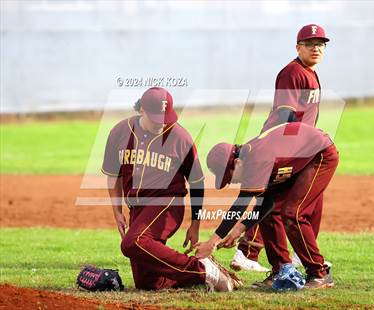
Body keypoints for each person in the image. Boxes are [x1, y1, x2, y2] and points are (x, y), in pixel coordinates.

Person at [102, 87, 238, 291]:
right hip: (137, 210)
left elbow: (197, 183)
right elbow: (114, 176)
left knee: (133, 242)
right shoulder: (119, 132)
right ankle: (202, 277)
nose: (162, 122)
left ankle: (202, 269)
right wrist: (118, 212)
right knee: (148, 283)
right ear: (141, 110)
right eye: (156, 118)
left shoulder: (180, 137)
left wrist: (195, 224)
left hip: (167, 204)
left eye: (166, 117)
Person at [232, 23, 331, 281]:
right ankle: (256, 256)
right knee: (275, 205)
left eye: (320, 44)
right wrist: (279, 151)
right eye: (309, 44)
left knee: (304, 202)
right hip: (287, 150)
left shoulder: (309, 72)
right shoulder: (292, 72)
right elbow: (284, 115)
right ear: (298, 47)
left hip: (302, 151)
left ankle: (285, 259)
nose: (316, 48)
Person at [195, 121, 339, 289]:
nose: (233, 181)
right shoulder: (248, 158)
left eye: (230, 176)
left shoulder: (256, 158)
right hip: (297, 160)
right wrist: (236, 230)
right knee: (268, 214)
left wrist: (213, 241)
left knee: (292, 214)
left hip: (319, 154)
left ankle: (319, 273)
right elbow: (266, 204)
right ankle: (280, 270)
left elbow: (241, 203)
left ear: (237, 163)